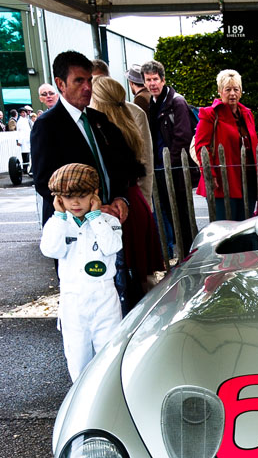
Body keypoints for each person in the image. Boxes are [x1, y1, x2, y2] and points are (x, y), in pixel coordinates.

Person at [31, 50, 139, 227]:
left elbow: (120, 164)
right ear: (60, 84)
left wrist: (121, 197)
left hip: (110, 221)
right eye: (79, 81)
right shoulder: (46, 125)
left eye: (89, 80)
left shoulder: (99, 119)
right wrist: (91, 209)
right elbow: (45, 183)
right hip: (74, 231)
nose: (88, 87)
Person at [39, 163, 123, 382]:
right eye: (67, 197)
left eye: (82, 195)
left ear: (94, 194)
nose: (75, 202)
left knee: (108, 360)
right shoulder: (57, 224)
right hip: (72, 303)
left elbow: (112, 246)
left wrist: (95, 218)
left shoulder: (109, 221)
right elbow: (50, 250)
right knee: (78, 363)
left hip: (105, 300)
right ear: (58, 199)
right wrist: (58, 217)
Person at [90, 76, 163, 297]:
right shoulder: (130, 120)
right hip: (135, 201)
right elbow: (145, 166)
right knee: (141, 276)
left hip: (122, 207)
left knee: (127, 277)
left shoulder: (103, 129)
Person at [141, 59, 195, 253]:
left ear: (163, 80)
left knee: (182, 216)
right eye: (148, 80)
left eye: (155, 79)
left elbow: (182, 137)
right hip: (158, 169)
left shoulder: (177, 102)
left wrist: (168, 166)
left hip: (174, 170)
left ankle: (189, 252)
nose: (152, 84)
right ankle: (180, 252)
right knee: (169, 214)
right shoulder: (152, 103)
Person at [193, 68, 258, 221]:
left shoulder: (247, 114)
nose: (232, 94)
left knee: (245, 226)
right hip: (223, 182)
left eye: (236, 89)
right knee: (224, 228)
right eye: (227, 89)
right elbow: (201, 148)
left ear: (241, 91)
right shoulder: (210, 114)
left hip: (248, 180)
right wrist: (211, 175)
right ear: (220, 91)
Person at [16, 106, 32, 173]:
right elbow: (20, 132)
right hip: (24, 140)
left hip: (28, 139)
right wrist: (19, 141)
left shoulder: (26, 120)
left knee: (29, 155)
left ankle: (28, 168)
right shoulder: (20, 121)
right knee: (25, 155)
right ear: (20, 113)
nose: (24, 113)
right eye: (22, 112)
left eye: (25, 112)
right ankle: (25, 169)